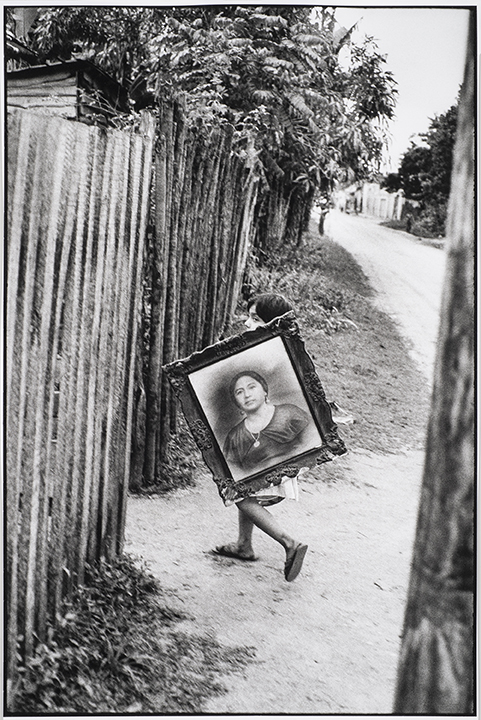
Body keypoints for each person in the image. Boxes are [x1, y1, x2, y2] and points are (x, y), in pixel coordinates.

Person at [214, 293, 311, 582]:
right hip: (255, 438)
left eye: (255, 319)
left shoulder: (272, 355)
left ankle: (289, 543)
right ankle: (244, 545)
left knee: (236, 491)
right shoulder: (263, 352)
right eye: (249, 316)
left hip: (271, 446)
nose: (247, 323)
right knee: (246, 489)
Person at [223, 370, 310, 471]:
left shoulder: (290, 413)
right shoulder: (234, 437)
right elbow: (235, 474)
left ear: (264, 391)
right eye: (239, 392)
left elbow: (313, 444)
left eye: (251, 387)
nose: (247, 395)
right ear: (236, 402)